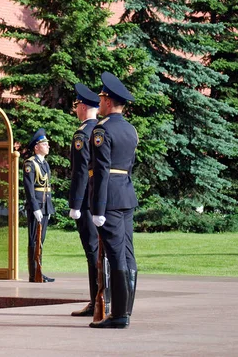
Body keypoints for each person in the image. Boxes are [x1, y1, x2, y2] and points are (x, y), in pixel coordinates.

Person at [88, 72, 138, 329]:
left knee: (116, 254)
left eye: (101, 98)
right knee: (127, 254)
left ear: (108, 102)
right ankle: (126, 309)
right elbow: (129, 166)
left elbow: (102, 170)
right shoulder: (131, 130)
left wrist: (98, 207)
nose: (100, 102)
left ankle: (119, 314)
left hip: (109, 199)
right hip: (127, 195)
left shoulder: (102, 130)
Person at [68, 83, 102, 316]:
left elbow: (80, 172)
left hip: (88, 200)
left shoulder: (82, 133)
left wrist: (76, 204)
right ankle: (105, 297)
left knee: (93, 250)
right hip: (106, 197)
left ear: (82, 107)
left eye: (76, 105)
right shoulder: (102, 129)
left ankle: (96, 301)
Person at [23, 128, 55, 283]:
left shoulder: (45, 164)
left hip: (45, 205)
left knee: (41, 240)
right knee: (34, 240)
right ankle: (33, 274)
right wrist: (35, 208)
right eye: (44, 143)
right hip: (37, 206)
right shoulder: (30, 163)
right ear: (37, 147)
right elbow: (29, 188)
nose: (48, 146)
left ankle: (39, 272)